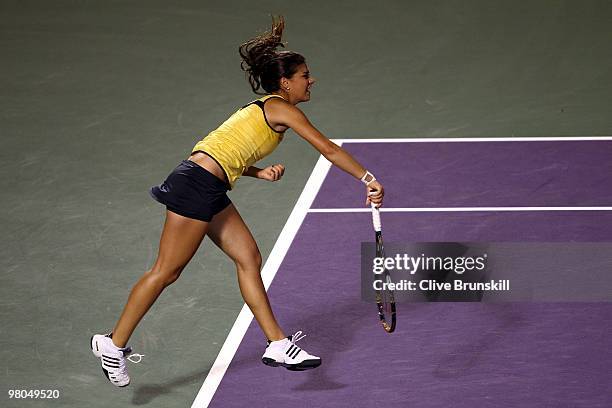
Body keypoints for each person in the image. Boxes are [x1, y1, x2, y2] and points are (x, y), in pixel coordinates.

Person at [90, 16, 384, 387]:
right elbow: (326, 148)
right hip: (196, 185)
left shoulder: (262, 109)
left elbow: (222, 150)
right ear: (285, 82)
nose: (311, 80)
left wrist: (256, 173)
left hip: (205, 184)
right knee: (167, 271)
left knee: (248, 256)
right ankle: (112, 344)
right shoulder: (282, 108)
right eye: (305, 75)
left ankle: (277, 343)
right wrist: (368, 178)